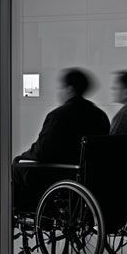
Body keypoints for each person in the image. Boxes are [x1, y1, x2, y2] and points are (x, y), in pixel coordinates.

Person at [12, 68, 110, 211]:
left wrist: (23, 157)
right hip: (88, 176)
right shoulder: (100, 116)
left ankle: (33, 212)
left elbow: (42, 151)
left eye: (61, 88)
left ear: (69, 89)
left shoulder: (59, 116)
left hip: (60, 174)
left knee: (17, 167)